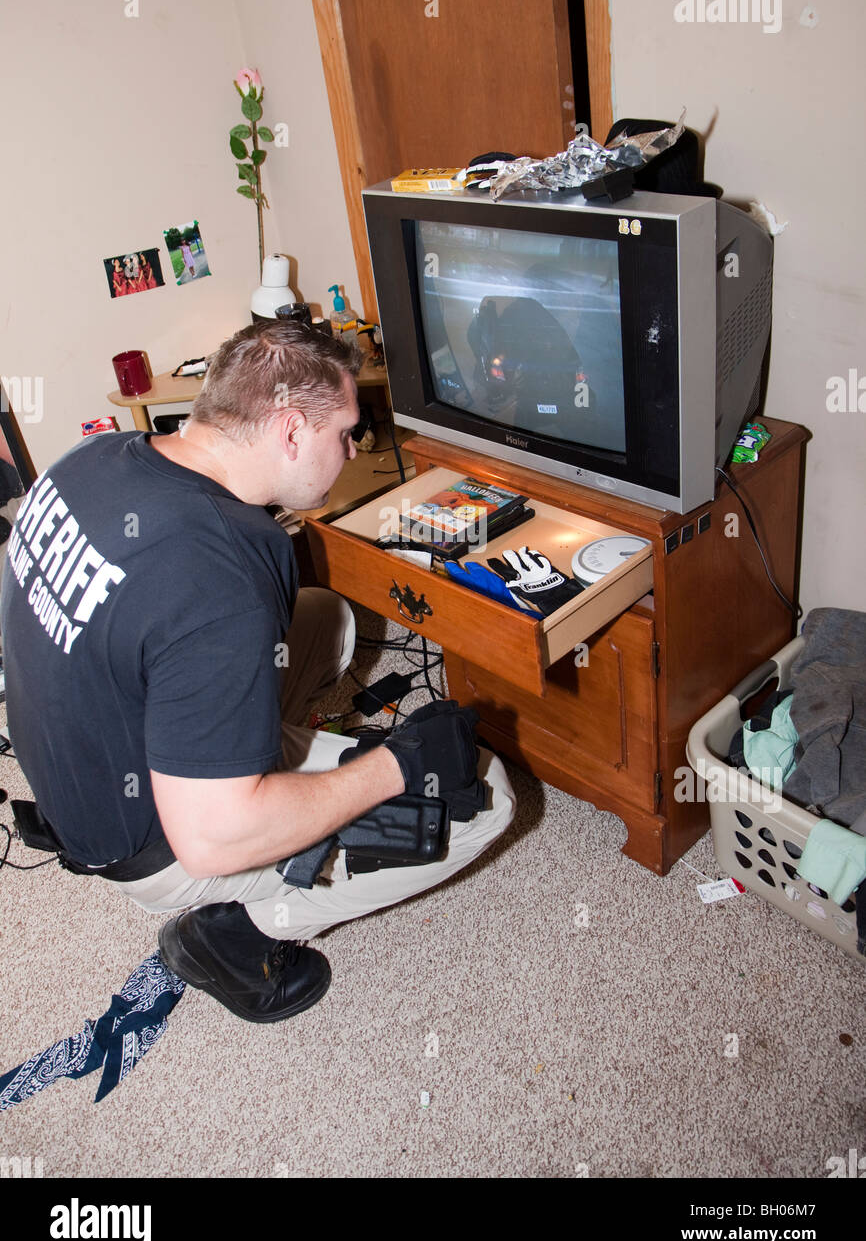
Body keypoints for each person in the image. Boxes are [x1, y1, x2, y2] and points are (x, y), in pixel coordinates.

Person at [0, 319, 515, 1024]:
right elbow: (210, 837)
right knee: (489, 797)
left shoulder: (93, 456)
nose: (353, 447)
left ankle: (239, 756)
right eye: (346, 432)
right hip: (154, 839)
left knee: (326, 620)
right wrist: (395, 766)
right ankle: (239, 934)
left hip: (80, 776)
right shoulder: (221, 572)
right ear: (291, 430)